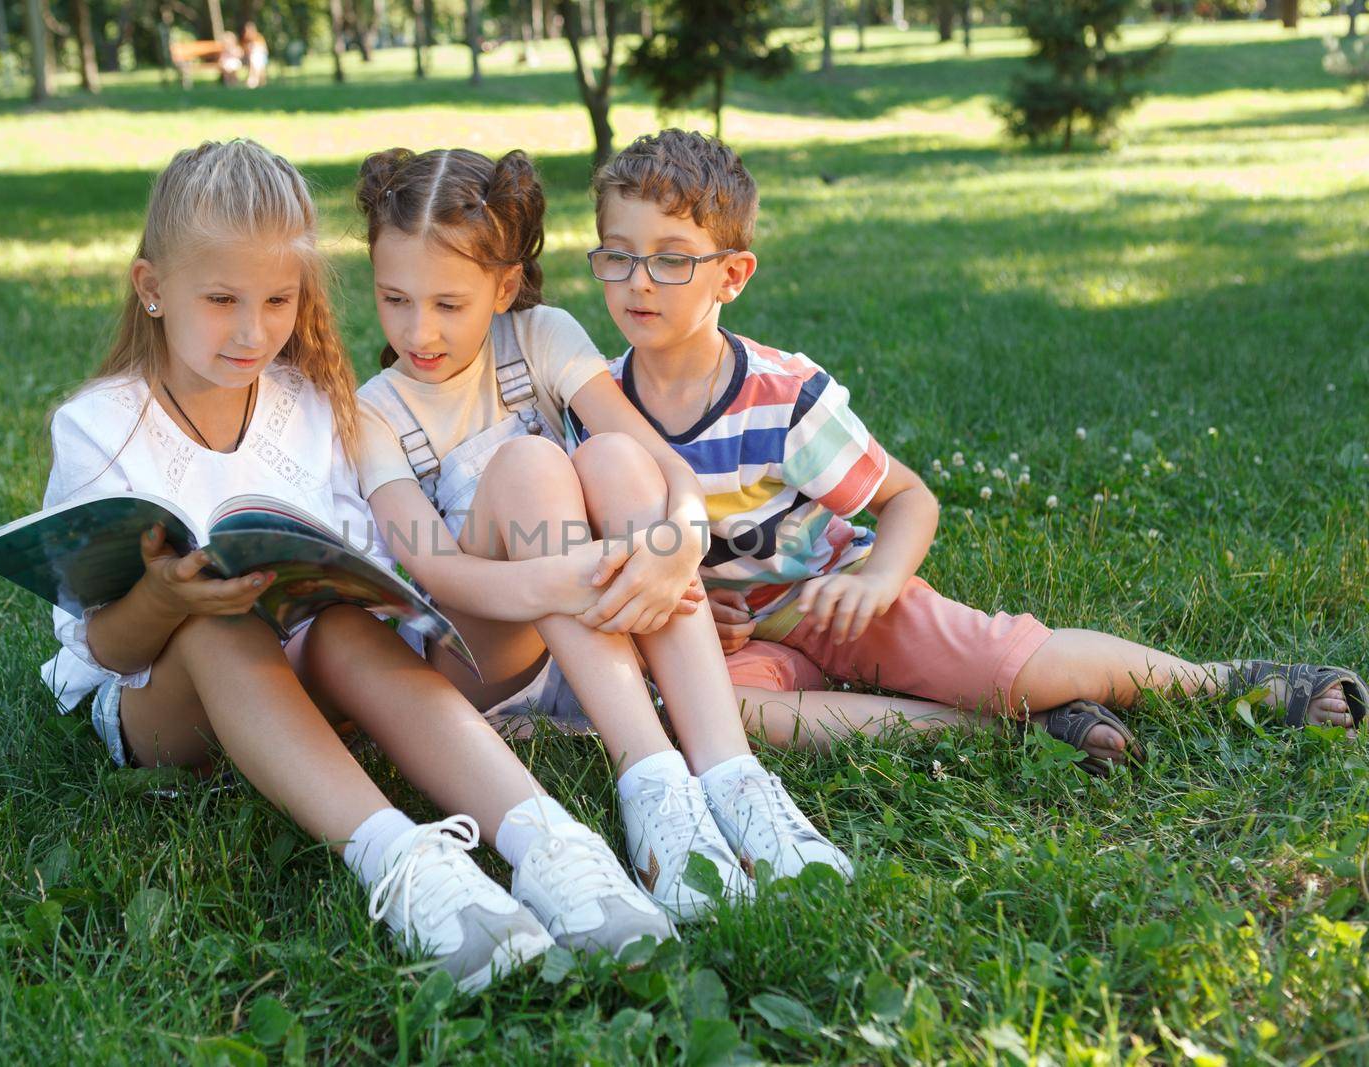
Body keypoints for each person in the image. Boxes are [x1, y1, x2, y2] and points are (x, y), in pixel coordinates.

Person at [38, 139, 672, 993]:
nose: (252, 330)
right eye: (221, 298)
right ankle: (408, 868)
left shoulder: (309, 402)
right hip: (171, 708)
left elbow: (360, 565)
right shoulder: (98, 426)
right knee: (219, 620)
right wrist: (161, 593)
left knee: (338, 622)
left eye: (277, 299)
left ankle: (549, 844)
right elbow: (107, 650)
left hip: (313, 672)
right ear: (152, 288)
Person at [578, 128, 1366, 770]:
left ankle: (1233, 683)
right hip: (743, 643)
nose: (638, 281)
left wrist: (881, 580)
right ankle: (1000, 733)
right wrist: (690, 605)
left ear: (732, 275)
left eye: (672, 258)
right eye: (617, 254)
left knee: (1016, 668)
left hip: (840, 596)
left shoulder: (781, 396)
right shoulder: (595, 406)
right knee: (725, 717)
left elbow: (908, 499)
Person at [352, 146, 852, 923]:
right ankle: (650, 782)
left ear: (505, 286)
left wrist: (678, 543)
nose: (419, 329)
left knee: (614, 454)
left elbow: (663, 468)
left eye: (449, 304)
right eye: (394, 299)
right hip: (483, 650)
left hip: (590, 627)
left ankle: (731, 775)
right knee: (528, 464)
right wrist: (564, 578)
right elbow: (435, 570)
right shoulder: (375, 410)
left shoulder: (542, 335)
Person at [241, 22, 268, 88]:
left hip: (260, 57)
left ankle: (254, 80)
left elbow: (264, 49)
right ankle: (253, 80)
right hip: (250, 58)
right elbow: (244, 51)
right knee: (253, 60)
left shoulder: (259, 37)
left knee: (255, 60)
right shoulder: (246, 39)